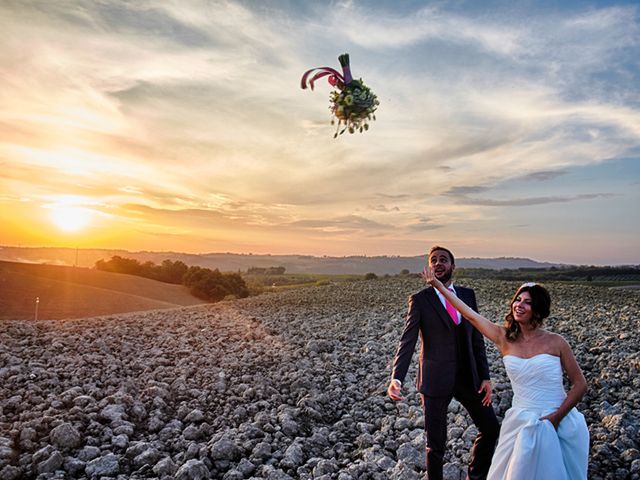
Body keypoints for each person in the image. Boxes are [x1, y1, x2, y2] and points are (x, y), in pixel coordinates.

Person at [423, 269, 589, 480]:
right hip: (521, 420)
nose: (519, 305)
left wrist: (556, 417)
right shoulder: (504, 337)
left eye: (527, 302)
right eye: (517, 300)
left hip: (558, 418)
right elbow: (469, 315)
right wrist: (439, 286)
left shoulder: (556, 342)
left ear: (538, 308)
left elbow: (580, 384)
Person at [388, 246, 499, 480]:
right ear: (429, 267)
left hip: (469, 377)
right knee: (435, 444)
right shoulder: (420, 300)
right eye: (434, 260)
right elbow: (407, 340)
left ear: (452, 266)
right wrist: (396, 377)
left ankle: (476, 477)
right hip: (435, 379)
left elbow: (477, 338)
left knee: (490, 428)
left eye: (443, 260)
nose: (438, 263)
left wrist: (485, 376)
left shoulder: (467, 295)